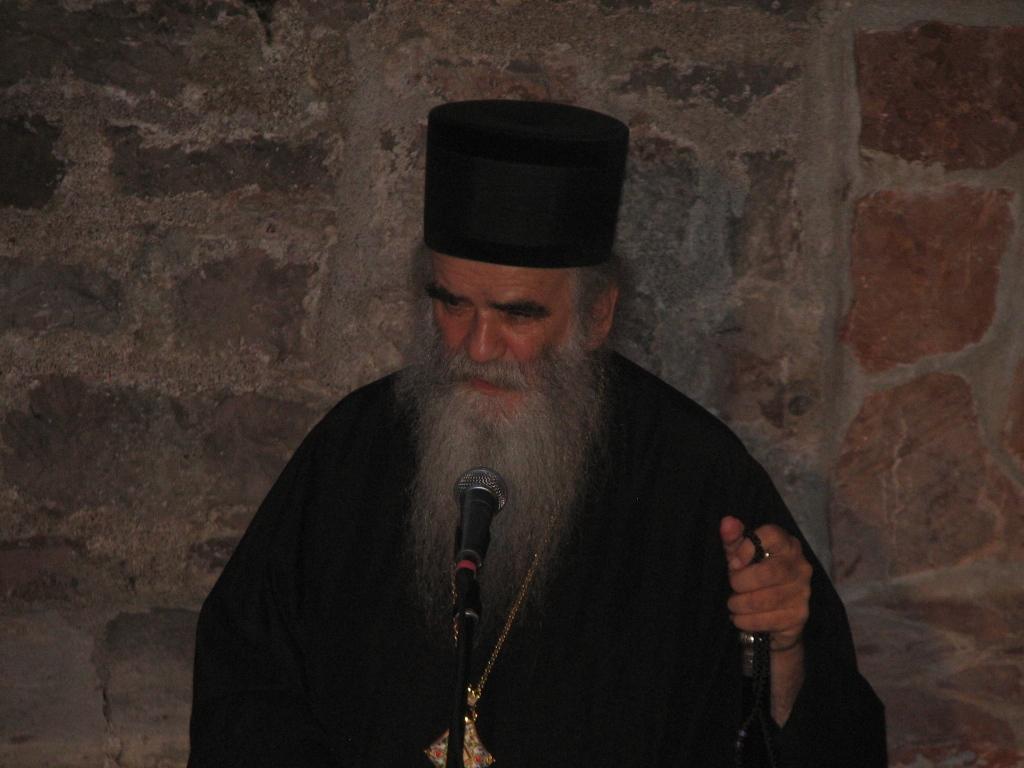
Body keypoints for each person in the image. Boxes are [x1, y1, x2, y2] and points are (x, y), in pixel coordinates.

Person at [188, 100, 886, 767]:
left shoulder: (692, 478)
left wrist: (782, 651)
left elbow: (814, 740)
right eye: (452, 304)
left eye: (517, 314)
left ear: (597, 315)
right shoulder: (355, 452)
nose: (477, 347)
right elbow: (246, 687)